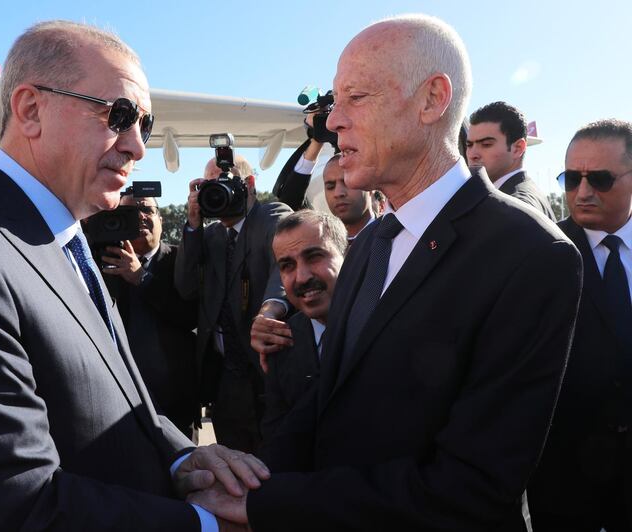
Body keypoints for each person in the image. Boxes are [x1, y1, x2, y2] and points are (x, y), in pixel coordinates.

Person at [0, 21, 267, 531]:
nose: (137, 146)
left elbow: (112, 404)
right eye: (119, 116)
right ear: (31, 109)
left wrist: (184, 459)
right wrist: (203, 525)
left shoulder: (62, 239)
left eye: (144, 122)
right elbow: (4, 504)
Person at [188, 14, 582, 531]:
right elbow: (328, 399)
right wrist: (247, 480)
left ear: (431, 100)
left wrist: (274, 505)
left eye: (356, 97)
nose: (333, 122)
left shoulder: (530, 255)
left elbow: (471, 488)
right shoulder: (372, 240)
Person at [527, 119, 632, 531]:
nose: (583, 192)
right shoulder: (540, 255)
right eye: (572, 178)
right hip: (565, 485)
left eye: (600, 179)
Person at [175, 155, 292, 453]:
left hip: (267, 371)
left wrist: (270, 311)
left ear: (250, 185)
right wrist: (192, 225)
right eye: (210, 187)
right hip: (226, 381)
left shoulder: (272, 218)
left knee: (277, 462)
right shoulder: (210, 235)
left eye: (225, 184)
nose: (218, 194)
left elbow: (283, 271)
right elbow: (186, 288)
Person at [97, 195, 201, 440]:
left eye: (147, 209)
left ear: (161, 220)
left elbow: (192, 317)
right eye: (129, 212)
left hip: (176, 405)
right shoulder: (102, 264)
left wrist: (142, 278)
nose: (140, 216)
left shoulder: (182, 261)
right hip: (118, 401)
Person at [260, 210, 346, 441]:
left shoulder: (383, 327)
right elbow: (277, 440)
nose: (302, 277)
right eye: (287, 265)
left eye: (314, 256)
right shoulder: (280, 343)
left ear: (348, 256)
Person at [467, 101, 557, 221]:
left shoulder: (516, 205)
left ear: (517, 149)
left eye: (486, 144)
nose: (473, 154)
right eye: (469, 145)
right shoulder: (518, 197)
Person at [322, 154, 375, 244]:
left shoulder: (393, 237)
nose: (338, 193)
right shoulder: (321, 244)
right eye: (330, 186)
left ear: (370, 186)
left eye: (348, 183)